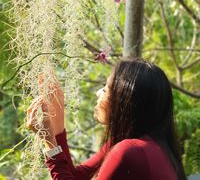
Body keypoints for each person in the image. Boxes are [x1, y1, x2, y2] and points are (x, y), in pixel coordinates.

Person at [27, 58, 187, 180]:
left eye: (105, 89)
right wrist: (57, 126)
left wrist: (48, 141)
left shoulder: (130, 151)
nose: (98, 93)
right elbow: (76, 177)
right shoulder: (140, 145)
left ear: (124, 101)